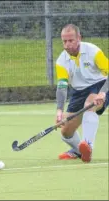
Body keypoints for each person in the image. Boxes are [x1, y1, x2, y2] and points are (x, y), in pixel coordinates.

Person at [55, 24, 108, 163]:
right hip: (78, 92)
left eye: (71, 40)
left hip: (100, 85)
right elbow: (61, 87)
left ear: (79, 38)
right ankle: (79, 151)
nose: (67, 45)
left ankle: (88, 146)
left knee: (90, 104)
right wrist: (59, 110)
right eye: (64, 41)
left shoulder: (93, 51)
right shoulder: (61, 61)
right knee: (66, 131)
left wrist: (102, 93)